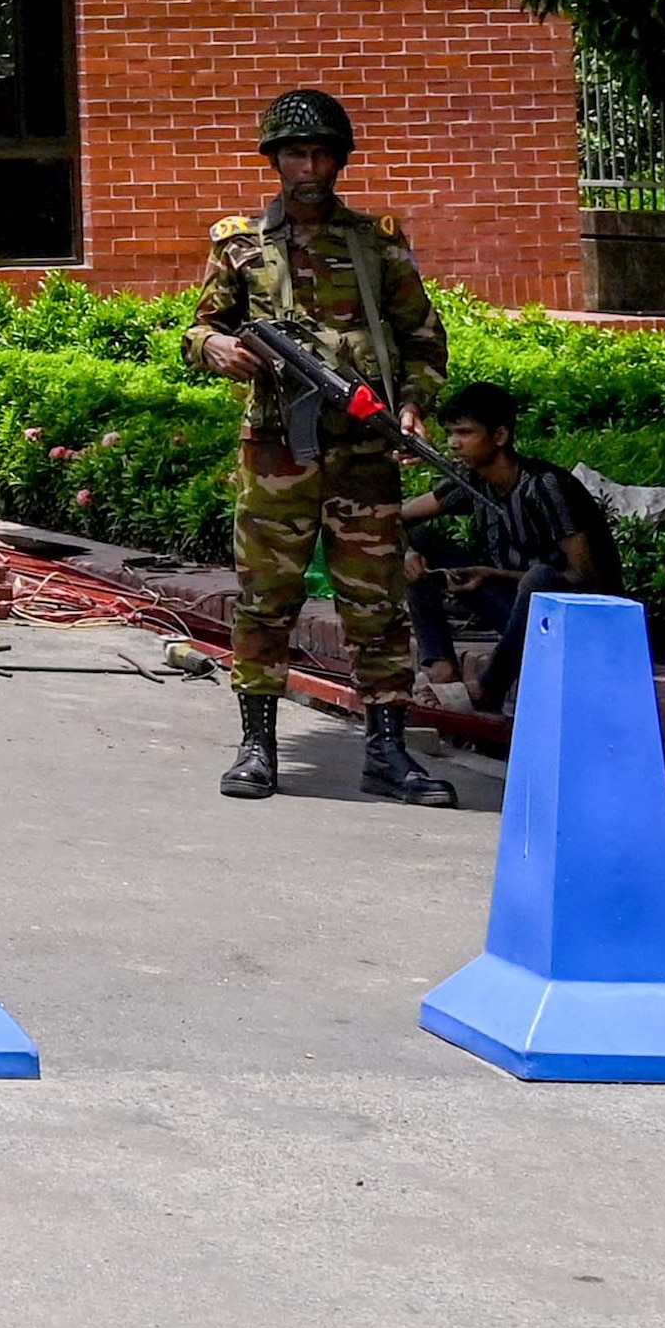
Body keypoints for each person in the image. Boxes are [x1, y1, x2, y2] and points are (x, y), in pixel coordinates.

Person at [185, 86, 456, 804]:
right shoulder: (240, 245)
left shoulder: (376, 243)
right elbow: (199, 329)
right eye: (296, 154)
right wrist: (217, 348)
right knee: (265, 600)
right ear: (275, 160)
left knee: (377, 605)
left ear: (339, 161)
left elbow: (424, 340)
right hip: (277, 453)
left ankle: (387, 750)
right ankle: (257, 745)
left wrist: (413, 406)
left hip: (363, 454)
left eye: (321, 154)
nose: (309, 167)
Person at [398, 381, 623, 720]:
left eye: (465, 433)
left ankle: (488, 688)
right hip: (514, 609)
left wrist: (496, 574)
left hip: (571, 618)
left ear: (500, 436)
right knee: (420, 546)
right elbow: (399, 519)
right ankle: (440, 667)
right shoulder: (474, 481)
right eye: (450, 434)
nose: (454, 443)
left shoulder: (544, 486)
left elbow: (583, 577)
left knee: (538, 577)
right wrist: (407, 553)